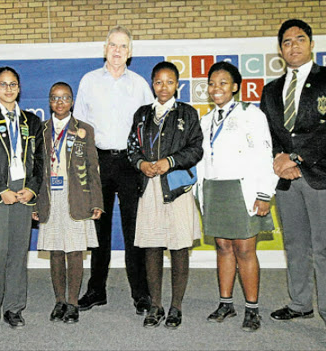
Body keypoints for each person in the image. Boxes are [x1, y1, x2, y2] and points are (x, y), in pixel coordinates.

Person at [260, 19, 326, 347]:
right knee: (295, 246)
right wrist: (279, 160)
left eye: (300, 39)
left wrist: (297, 158)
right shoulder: (271, 90)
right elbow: (269, 135)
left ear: (311, 44)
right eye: (287, 42)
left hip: (325, 177)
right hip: (286, 181)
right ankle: (300, 304)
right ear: (280, 49)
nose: (294, 46)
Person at [73, 25, 154, 314]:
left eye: (122, 46)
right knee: (98, 231)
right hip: (99, 162)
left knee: (135, 231)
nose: (117, 51)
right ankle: (96, 291)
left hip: (131, 164)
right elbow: (79, 126)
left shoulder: (140, 84)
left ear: (129, 52)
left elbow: (149, 127)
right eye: (112, 45)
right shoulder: (89, 81)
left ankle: (141, 294)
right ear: (104, 49)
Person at [195, 61, 277, 332]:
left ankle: (252, 309)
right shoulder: (205, 121)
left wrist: (264, 194)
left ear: (235, 87)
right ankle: (226, 303)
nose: (216, 88)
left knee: (244, 249)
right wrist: (200, 193)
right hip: (215, 190)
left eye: (222, 83)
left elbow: (265, 155)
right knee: (223, 248)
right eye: (212, 83)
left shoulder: (251, 114)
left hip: (243, 191)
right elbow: (201, 160)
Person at [127, 61, 203, 329]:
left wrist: (170, 161)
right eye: (158, 82)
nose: (163, 87)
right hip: (149, 188)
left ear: (177, 85)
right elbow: (131, 148)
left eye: (169, 82)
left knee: (179, 247)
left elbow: (196, 150)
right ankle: (156, 305)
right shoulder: (142, 114)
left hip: (177, 189)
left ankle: (176, 307)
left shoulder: (187, 114)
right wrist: (142, 164)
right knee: (152, 246)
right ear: (152, 85)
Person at [0, 66, 43, 336]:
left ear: (19, 87)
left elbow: (38, 163)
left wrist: (32, 190)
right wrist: (1, 189)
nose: (9, 89)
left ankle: (14, 308)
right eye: (3, 84)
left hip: (23, 193)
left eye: (13, 84)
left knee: (17, 255)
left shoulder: (31, 121)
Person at [32, 82, 104, 324]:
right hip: (50, 196)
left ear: (72, 101)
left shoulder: (84, 129)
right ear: (49, 101)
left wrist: (97, 201)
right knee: (54, 251)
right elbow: (35, 170)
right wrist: (35, 203)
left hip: (77, 196)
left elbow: (93, 169)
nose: (59, 102)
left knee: (74, 251)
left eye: (64, 98)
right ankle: (59, 301)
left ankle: (73, 302)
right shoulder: (41, 130)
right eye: (54, 98)